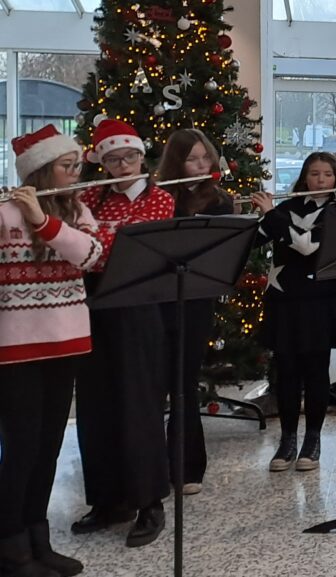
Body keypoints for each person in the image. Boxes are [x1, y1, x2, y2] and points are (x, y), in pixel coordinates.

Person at [0, 126, 99, 577]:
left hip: (68, 341)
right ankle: (11, 544)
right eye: (67, 166)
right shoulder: (5, 214)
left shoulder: (77, 210)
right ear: (41, 171)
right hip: (16, 348)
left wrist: (44, 220)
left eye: (76, 164)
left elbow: (91, 256)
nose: (76, 172)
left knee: (48, 446)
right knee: (21, 447)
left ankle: (39, 539)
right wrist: (23, 212)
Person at [73, 118, 176, 548]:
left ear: (141, 155)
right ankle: (107, 499)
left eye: (129, 156)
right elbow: (82, 250)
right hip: (93, 305)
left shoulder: (161, 199)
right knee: (95, 405)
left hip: (138, 306)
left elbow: (116, 251)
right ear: (102, 161)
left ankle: (148, 501)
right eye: (112, 159)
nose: (122, 165)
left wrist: (94, 239)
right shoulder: (87, 197)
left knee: (139, 405)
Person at [249, 152, 336, 473]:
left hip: (318, 302)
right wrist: (257, 217)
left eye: (327, 175)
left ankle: (313, 440)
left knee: (316, 373)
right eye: (314, 174)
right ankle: (287, 439)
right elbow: (257, 238)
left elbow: (306, 245)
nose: (320, 180)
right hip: (283, 301)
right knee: (286, 372)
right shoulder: (288, 207)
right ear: (305, 177)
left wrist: (272, 215)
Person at [154, 128, 232, 496]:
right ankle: (150, 467)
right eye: (192, 159)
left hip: (197, 300)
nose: (202, 164)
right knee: (154, 384)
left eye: (205, 157)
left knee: (184, 381)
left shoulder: (220, 201)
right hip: (156, 299)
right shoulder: (158, 198)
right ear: (176, 163)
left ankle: (188, 466)